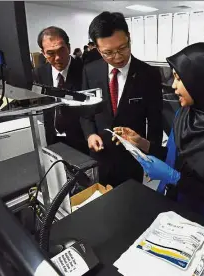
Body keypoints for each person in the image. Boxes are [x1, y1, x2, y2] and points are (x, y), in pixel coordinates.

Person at [113, 42, 204, 223]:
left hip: (199, 220)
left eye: (179, 79)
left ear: (199, 80)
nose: (174, 86)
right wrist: (142, 143)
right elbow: (173, 157)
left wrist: (176, 178)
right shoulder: (184, 113)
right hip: (166, 205)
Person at [80, 12, 163, 187]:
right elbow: (86, 112)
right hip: (99, 154)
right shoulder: (90, 71)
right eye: (108, 53)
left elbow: (155, 122)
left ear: (129, 38)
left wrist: (151, 158)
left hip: (131, 159)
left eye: (123, 48)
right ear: (96, 47)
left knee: (130, 206)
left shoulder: (149, 75)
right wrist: (90, 134)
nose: (117, 57)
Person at [33, 26, 88, 154]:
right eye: (51, 53)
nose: (57, 58)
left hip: (81, 139)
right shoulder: (39, 74)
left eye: (61, 50)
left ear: (68, 47)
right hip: (52, 138)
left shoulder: (85, 71)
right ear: (43, 53)